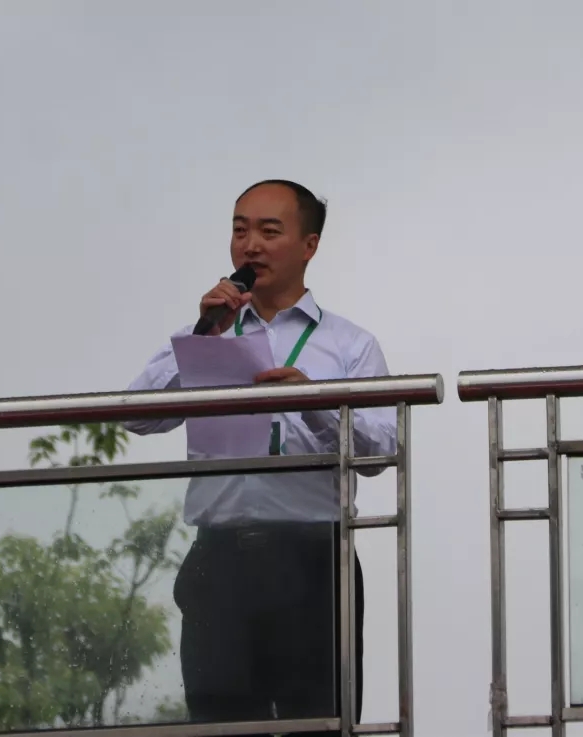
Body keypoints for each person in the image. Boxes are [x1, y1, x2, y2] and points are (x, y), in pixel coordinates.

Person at [123, 179, 396, 734]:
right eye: (240, 230)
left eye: (270, 231)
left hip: (315, 564)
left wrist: (315, 403)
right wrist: (203, 338)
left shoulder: (351, 345)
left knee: (317, 726)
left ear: (309, 245)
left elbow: (382, 450)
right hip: (218, 564)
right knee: (220, 727)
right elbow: (138, 415)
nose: (250, 245)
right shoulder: (206, 334)